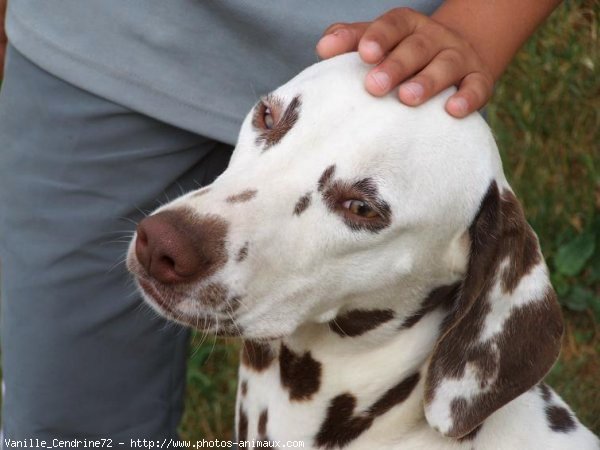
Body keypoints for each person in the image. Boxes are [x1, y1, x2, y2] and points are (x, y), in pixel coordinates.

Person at [0, 0, 562, 445]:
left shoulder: (442, 172)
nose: (178, 232)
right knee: (60, 430)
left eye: (359, 207)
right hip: (95, 31)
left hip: (399, 47)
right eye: (270, 120)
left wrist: (476, 25)